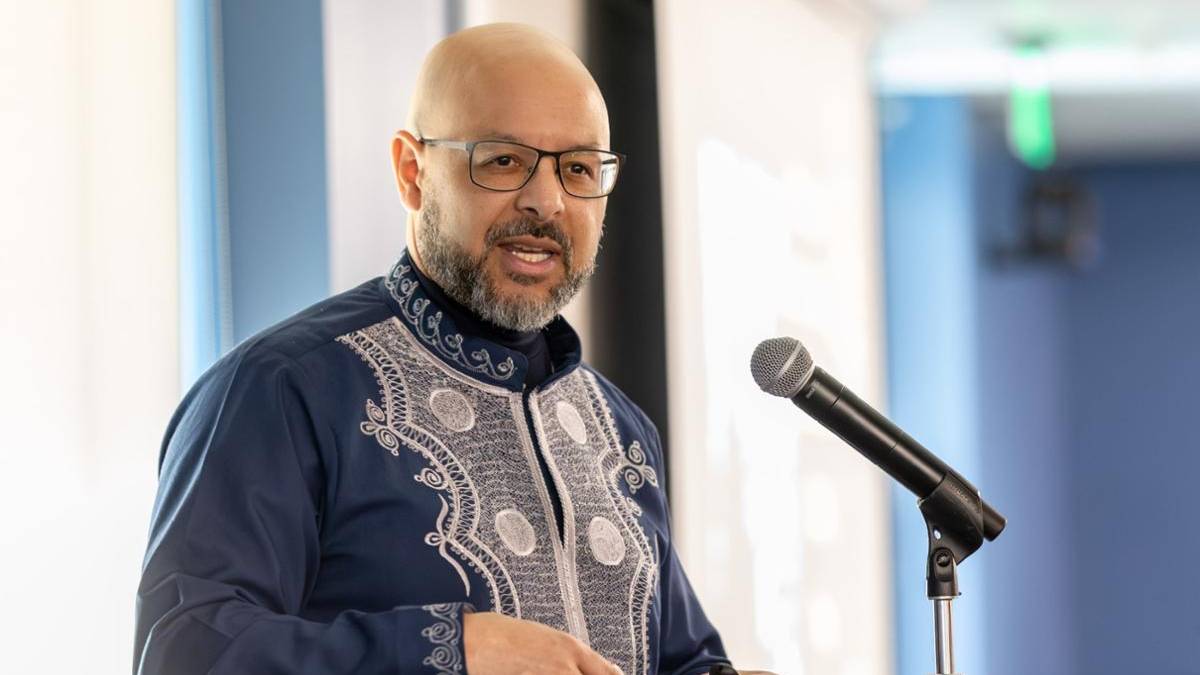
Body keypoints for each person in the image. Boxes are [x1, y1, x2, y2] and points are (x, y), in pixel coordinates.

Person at [135, 22, 749, 675]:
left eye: (577, 169)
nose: (546, 201)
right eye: (503, 160)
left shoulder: (621, 429)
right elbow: (186, 653)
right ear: (412, 172)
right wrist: (453, 650)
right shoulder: (281, 391)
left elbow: (681, 656)